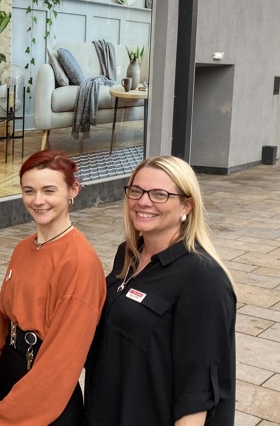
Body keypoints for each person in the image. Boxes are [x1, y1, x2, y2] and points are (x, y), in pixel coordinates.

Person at [84, 156, 236, 425]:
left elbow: (197, 392)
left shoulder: (203, 279)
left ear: (186, 206)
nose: (143, 201)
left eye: (160, 194)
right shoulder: (128, 254)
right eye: (137, 191)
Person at [0, 150, 106, 425]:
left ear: (73, 190)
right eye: (29, 191)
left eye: (49, 190)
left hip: (47, 396)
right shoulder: (23, 248)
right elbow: (1, 320)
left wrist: (5, 417)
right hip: (11, 375)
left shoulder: (80, 262)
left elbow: (61, 360)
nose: (38, 200)